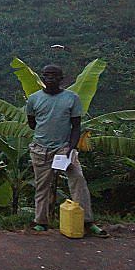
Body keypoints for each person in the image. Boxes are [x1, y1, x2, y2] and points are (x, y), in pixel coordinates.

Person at [26, 64, 108, 237]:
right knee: (42, 186)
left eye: (54, 76)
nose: (50, 79)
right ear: (42, 78)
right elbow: (32, 123)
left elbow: (76, 126)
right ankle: (41, 222)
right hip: (41, 149)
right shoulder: (33, 99)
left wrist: (70, 149)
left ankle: (87, 221)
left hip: (65, 148)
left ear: (61, 79)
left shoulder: (72, 98)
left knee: (78, 179)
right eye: (47, 75)